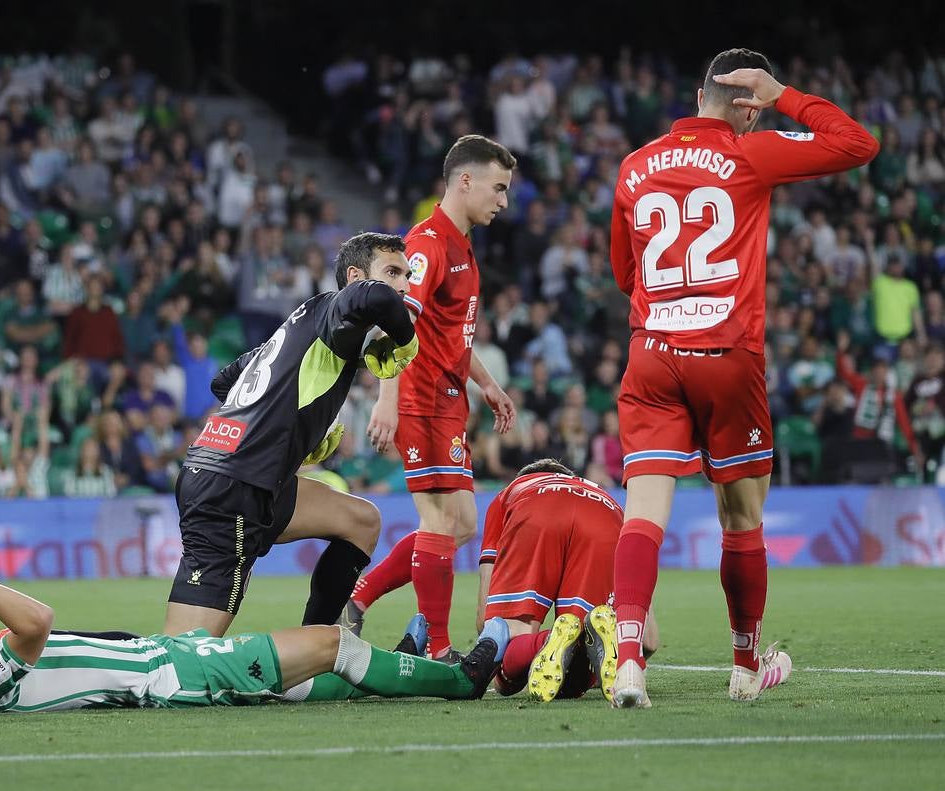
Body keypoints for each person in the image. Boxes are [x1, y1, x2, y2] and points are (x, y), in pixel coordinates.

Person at [605, 51, 877, 707]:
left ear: (698, 93)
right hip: (727, 358)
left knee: (643, 516)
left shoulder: (635, 166)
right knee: (741, 519)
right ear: (748, 106)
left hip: (653, 354)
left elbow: (625, 275)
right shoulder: (751, 156)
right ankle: (745, 666)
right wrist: (784, 94)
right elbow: (857, 144)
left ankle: (632, 661)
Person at [0, 550, 508, 714]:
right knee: (329, 642)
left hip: (164, 659)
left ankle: (403, 668)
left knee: (304, 675)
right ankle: (459, 680)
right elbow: (35, 624)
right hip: (170, 674)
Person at [164, 232, 421, 638]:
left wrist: (298, 429)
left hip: (248, 480)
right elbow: (379, 300)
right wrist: (406, 343)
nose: (405, 285)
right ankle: (68, 655)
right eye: (393, 272)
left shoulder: (305, 322)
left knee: (361, 521)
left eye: (407, 274)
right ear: (355, 277)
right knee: (183, 654)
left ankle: (317, 643)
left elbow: (223, 382)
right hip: (230, 488)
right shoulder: (341, 309)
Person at [349, 135, 519, 661]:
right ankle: (440, 649)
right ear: (464, 180)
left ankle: (357, 600)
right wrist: (386, 399)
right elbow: (399, 322)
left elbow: (452, 334)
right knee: (440, 524)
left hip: (448, 396)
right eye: (498, 188)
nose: (503, 201)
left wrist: (486, 382)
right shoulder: (426, 245)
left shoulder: (460, 242)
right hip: (419, 396)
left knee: (461, 524)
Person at [471, 458, 659, 703]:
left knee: (507, 664)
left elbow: (486, 619)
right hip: (603, 518)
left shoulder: (512, 491)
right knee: (577, 660)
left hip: (535, 510)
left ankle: (547, 640)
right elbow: (650, 641)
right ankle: (590, 644)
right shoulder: (608, 500)